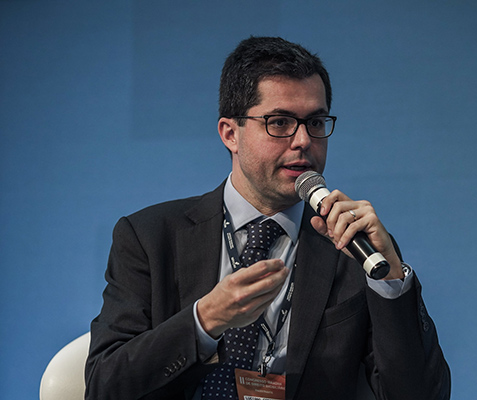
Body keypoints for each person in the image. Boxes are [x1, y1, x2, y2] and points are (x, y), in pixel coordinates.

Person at [85, 36, 450, 400]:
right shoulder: (150, 238)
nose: (303, 140)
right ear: (231, 134)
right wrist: (205, 319)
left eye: (316, 122)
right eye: (279, 122)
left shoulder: (353, 246)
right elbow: (104, 386)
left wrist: (390, 280)